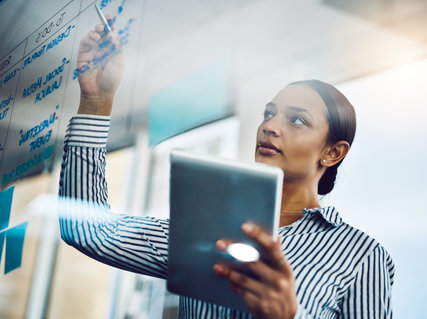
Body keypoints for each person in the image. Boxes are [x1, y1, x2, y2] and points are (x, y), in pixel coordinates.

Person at [58, 21, 395, 319]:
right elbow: (89, 231)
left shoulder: (362, 257)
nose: (270, 126)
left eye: (296, 120)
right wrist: (96, 102)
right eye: (268, 113)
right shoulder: (206, 226)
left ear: (333, 153)